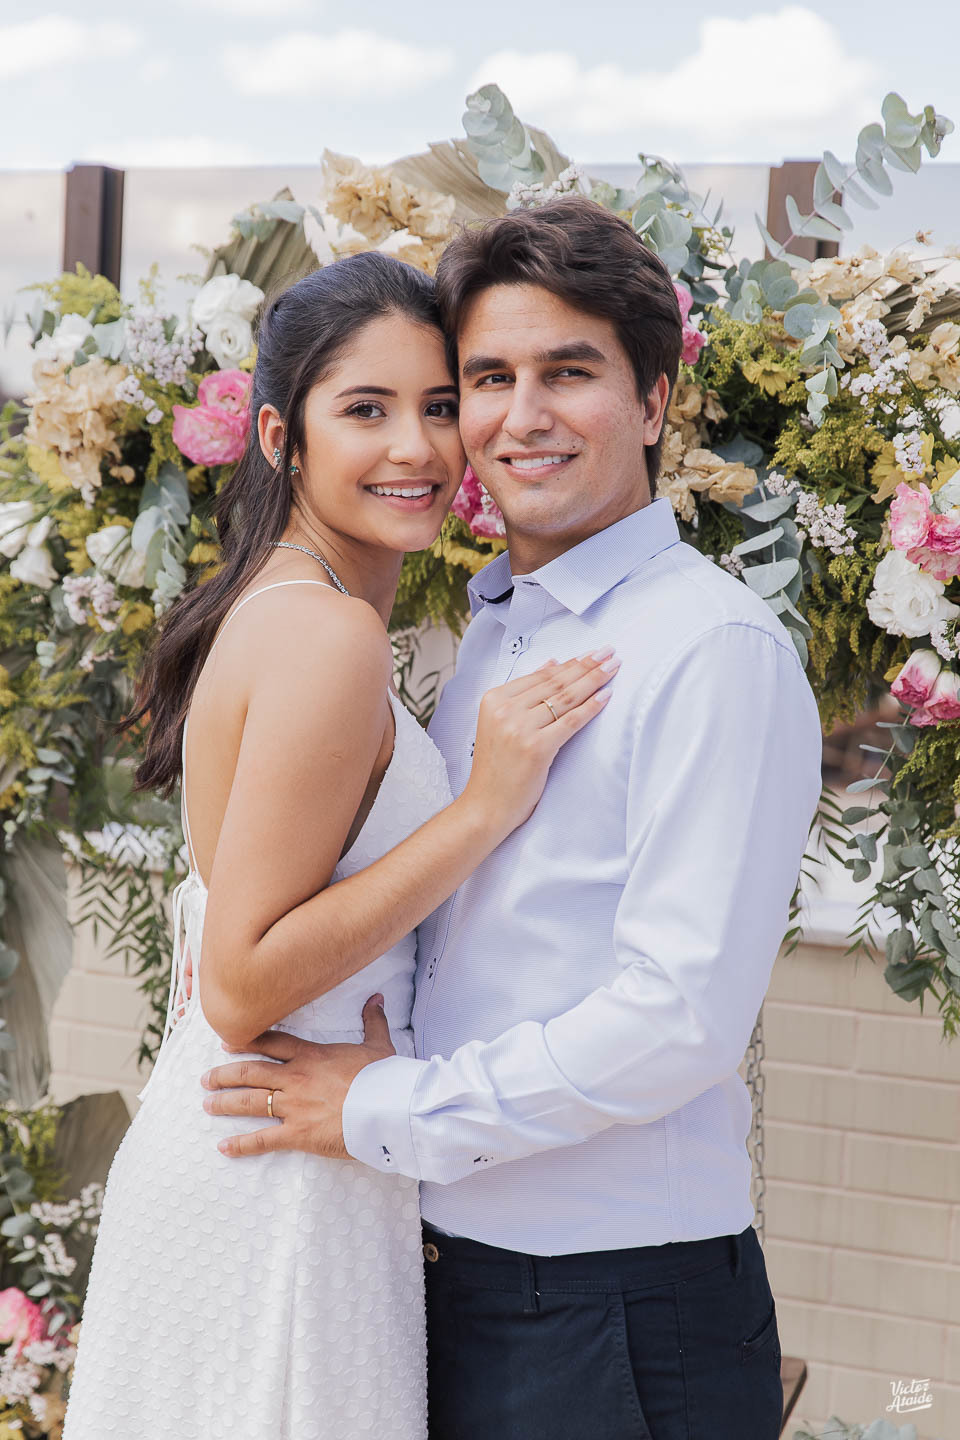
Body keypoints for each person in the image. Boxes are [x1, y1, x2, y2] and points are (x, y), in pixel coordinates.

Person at [203, 197, 824, 1440]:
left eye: (570, 372)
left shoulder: (709, 649)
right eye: (486, 378)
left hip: (611, 1308)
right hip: (449, 1277)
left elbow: (680, 1017)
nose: (519, 416)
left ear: (654, 403)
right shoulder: (493, 627)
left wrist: (386, 1111)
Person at [63, 251, 614, 1440]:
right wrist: (482, 811)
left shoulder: (290, 605)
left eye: (433, 405)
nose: (415, 447)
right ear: (279, 437)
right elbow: (241, 980)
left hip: (274, 1153)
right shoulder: (329, 638)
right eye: (364, 410)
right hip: (279, 1183)